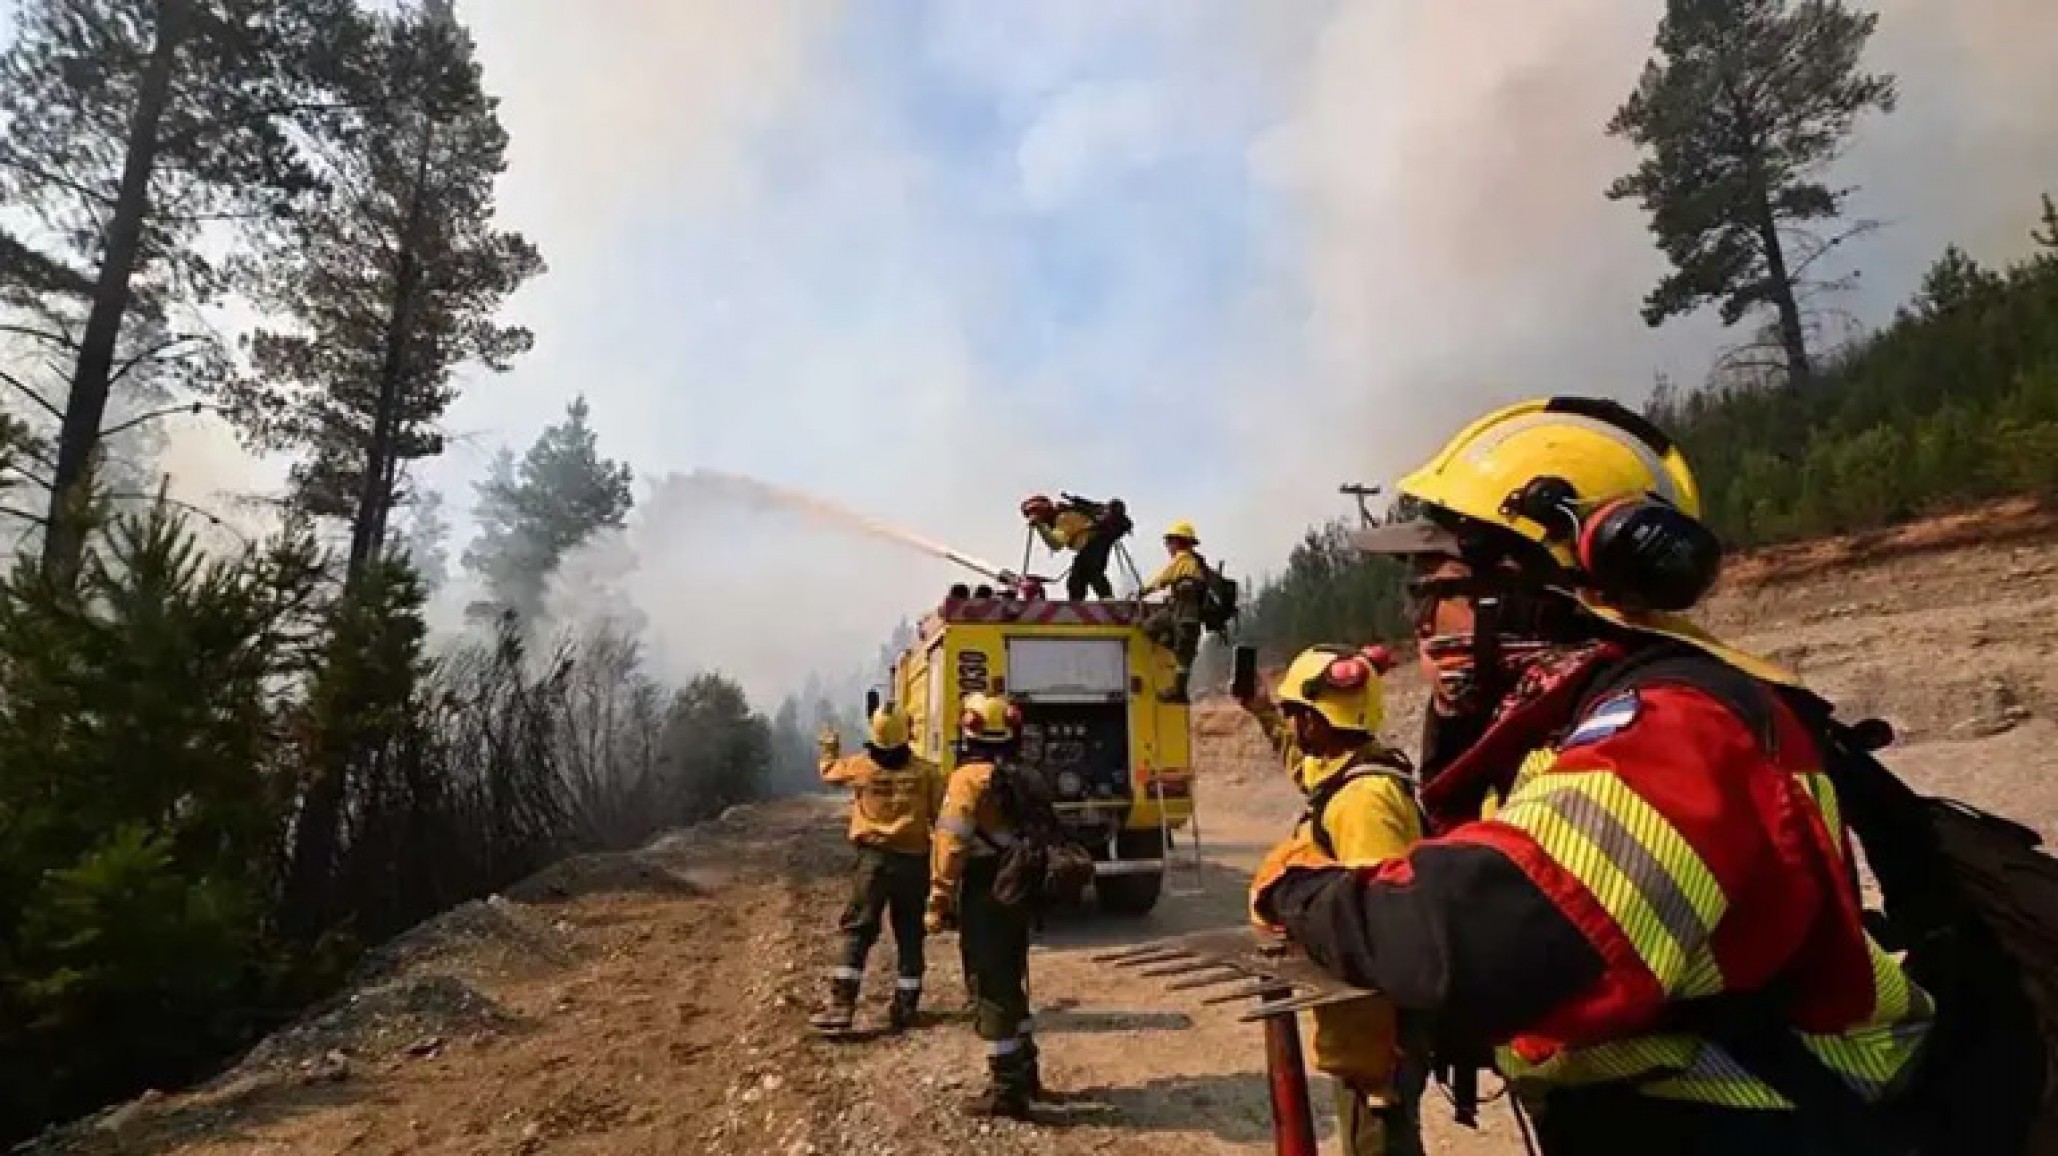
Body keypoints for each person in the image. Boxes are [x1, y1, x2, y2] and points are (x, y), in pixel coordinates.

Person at [1249, 397, 1930, 1155]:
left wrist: (1295, 889)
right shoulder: (1585, 722)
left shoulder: (1678, 724)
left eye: (1434, 589)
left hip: (1763, 1125)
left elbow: (1486, 934)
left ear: (1522, 583)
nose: (1419, 621)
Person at [1239, 643, 1427, 1156]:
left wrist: (1372, 1063)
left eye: (1296, 714)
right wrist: (1260, 711)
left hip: (1376, 1036)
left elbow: (1377, 926)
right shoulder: (1350, 772)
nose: (1293, 727)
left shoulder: (1363, 802)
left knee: (1379, 1145)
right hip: (1369, 1032)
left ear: (1318, 719)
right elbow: (1305, 770)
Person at [926, 691, 1043, 1120]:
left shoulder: (967, 779)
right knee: (1012, 977)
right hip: (1020, 885)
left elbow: (951, 843)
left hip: (986, 889)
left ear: (969, 730)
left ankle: (1007, 1091)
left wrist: (938, 899)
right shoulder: (1022, 773)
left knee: (990, 985)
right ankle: (1027, 1071)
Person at [809, 706, 944, 1035]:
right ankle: (906, 1005)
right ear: (906, 733)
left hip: (873, 862)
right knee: (911, 932)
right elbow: (940, 818)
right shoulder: (927, 773)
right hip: (914, 862)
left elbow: (829, 773)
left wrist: (829, 748)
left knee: (859, 930)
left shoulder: (861, 767)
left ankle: (841, 1006)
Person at [1140, 519, 1208, 703]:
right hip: (1187, 616)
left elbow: (1162, 579)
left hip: (1183, 615)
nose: (1167, 547)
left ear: (1178, 542)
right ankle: (1180, 691)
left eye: (1169, 542)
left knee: (1150, 629)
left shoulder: (1182, 559)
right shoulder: (1197, 564)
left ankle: (1178, 691)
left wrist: (1142, 591)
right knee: (1182, 653)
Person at [1020, 493, 1128, 601]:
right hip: (1094, 541)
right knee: (1077, 578)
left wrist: (1039, 526)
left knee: (1090, 569)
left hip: (1096, 539)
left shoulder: (1062, 519)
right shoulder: (1063, 516)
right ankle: (1078, 603)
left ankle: (1107, 600)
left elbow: (1056, 544)